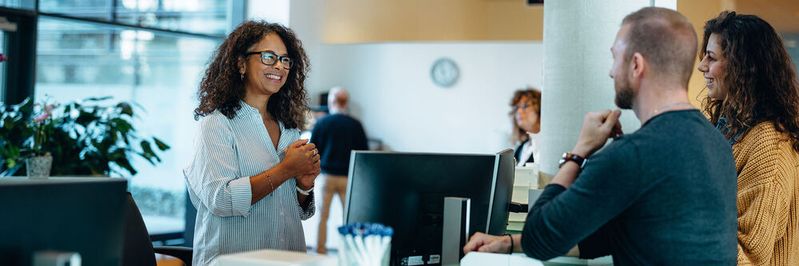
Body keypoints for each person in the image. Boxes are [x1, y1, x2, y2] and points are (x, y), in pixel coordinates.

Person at [463, 7, 738, 265]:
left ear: (636, 65)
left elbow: (540, 237)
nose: (611, 71)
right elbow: (610, 237)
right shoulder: (716, 143)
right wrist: (509, 243)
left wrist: (578, 151)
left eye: (615, 58)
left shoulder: (631, 155)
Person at [184, 20, 321, 265]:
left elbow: (296, 211)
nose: (279, 66)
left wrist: (304, 187)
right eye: (269, 56)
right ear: (241, 63)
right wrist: (286, 170)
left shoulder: (288, 128)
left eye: (285, 60)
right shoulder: (217, 124)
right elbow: (220, 199)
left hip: (288, 259)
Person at [698, 11, 799, 265]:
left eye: (711, 57)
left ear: (742, 65)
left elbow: (749, 256)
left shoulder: (769, 144)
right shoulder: (729, 128)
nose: (701, 66)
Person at [310, 86, 369, 254]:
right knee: (349, 217)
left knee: (323, 217)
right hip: (348, 178)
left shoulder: (322, 123)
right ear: (346, 103)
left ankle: (320, 250)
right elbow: (363, 153)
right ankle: (349, 251)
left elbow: (313, 150)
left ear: (331, 102)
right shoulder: (355, 125)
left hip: (326, 177)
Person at [510, 88, 542, 166]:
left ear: (540, 109)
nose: (519, 111)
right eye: (517, 108)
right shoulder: (521, 148)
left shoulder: (546, 147)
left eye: (525, 106)